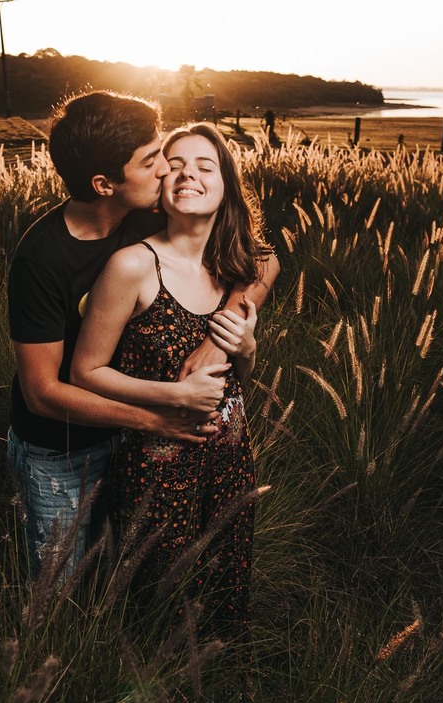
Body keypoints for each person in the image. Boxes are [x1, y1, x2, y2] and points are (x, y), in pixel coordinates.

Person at [7, 92, 275, 580]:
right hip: (62, 449)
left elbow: (262, 258)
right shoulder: (42, 259)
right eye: (152, 161)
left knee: (127, 576)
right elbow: (42, 393)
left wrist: (219, 338)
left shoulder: (147, 210)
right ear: (104, 184)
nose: (168, 171)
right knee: (61, 588)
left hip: (136, 443)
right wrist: (155, 417)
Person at [72, 124, 277, 638]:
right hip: (158, 466)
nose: (189, 175)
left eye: (205, 167)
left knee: (225, 591)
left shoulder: (236, 265)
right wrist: (174, 395)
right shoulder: (134, 265)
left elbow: (236, 378)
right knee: (161, 604)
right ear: (160, 185)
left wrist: (245, 351)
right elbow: (85, 371)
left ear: (226, 185)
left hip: (231, 460)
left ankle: (224, 683)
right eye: (176, 166)